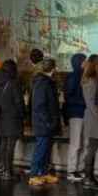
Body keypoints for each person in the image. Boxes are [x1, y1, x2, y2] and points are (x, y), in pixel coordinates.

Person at [79, 54, 98, 189]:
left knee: (92, 148)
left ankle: (89, 177)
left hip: (93, 119)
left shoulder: (89, 80)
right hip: (94, 120)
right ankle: (88, 178)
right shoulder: (92, 81)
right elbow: (91, 103)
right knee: (91, 149)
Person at [28, 58, 60, 186]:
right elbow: (40, 106)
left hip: (46, 123)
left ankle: (43, 172)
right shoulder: (43, 83)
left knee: (46, 149)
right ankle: (34, 175)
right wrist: (48, 122)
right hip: (43, 123)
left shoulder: (45, 82)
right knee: (41, 149)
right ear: (53, 68)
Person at [0, 59, 24, 180]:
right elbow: (19, 102)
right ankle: (8, 172)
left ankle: (3, 168)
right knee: (10, 146)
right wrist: (23, 114)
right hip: (12, 118)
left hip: (1, 117)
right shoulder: (14, 83)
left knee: (3, 144)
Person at [62, 53, 88, 182]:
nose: (86, 63)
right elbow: (69, 97)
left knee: (84, 143)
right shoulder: (73, 77)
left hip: (85, 114)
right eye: (84, 61)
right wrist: (84, 103)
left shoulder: (84, 76)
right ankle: (71, 170)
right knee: (76, 143)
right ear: (79, 62)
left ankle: (80, 168)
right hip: (76, 114)